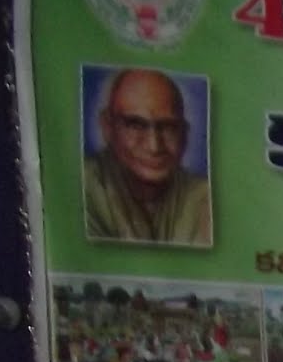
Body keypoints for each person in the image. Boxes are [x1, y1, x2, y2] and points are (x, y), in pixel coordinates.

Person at [83, 68, 213, 246]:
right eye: (135, 125)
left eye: (168, 127)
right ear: (107, 127)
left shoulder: (203, 197)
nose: (154, 146)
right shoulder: (83, 186)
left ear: (185, 134)